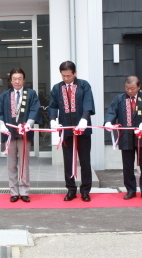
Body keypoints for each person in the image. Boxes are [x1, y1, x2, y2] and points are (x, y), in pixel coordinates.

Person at [0, 68, 42, 203]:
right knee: (11, 163)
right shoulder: (5, 95)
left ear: (24, 80)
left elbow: (35, 110)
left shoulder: (31, 94)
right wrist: (1, 124)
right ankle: (13, 191)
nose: (17, 81)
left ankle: (24, 191)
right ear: (11, 81)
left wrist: (29, 124)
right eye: (14, 79)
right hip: (10, 134)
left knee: (24, 163)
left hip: (25, 134)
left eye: (20, 78)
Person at [104, 76, 142, 200]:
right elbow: (112, 112)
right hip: (126, 136)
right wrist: (108, 122)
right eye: (127, 88)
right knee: (127, 165)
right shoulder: (119, 99)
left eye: (132, 88)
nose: (129, 91)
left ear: (139, 87)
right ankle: (130, 190)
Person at [48, 61, 95, 202]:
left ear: (75, 73)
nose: (66, 78)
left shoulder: (84, 85)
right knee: (68, 161)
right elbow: (52, 106)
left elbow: (88, 102)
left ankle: (85, 190)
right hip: (66, 130)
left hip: (82, 129)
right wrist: (52, 119)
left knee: (85, 161)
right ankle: (71, 189)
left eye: (69, 75)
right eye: (63, 76)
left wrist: (84, 119)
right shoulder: (57, 88)